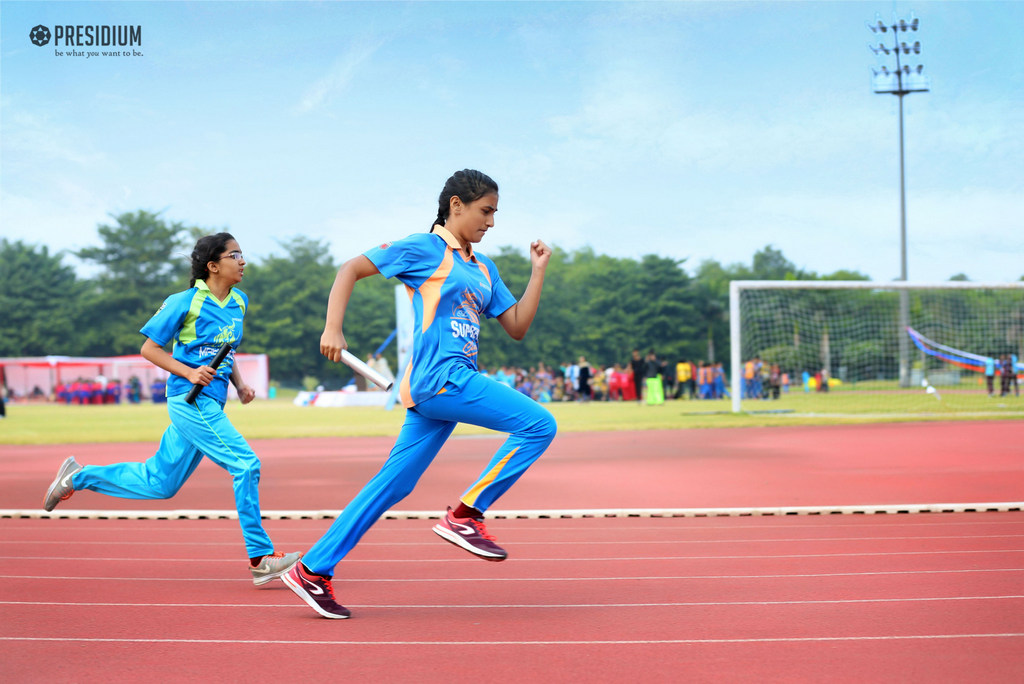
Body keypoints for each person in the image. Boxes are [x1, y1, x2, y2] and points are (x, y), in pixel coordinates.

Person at [281, 169, 557, 619]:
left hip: (445, 384)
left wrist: (538, 272)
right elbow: (350, 268)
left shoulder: (484, 267)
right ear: (456, 206)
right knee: (539, 425)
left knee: (394, 484)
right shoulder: (425, 248)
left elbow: (518, 327)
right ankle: (466, 516)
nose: (491, 222)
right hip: (440, 378)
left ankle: (311, 569)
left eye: (495, 213)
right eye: (485, 211)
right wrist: (333, 327)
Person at [41, 233, 301, 586]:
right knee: (246, 464)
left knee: (160, 483)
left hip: (213, 400)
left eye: (242, 254)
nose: (243, 261)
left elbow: (226, 349)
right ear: (213, 266)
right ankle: (260, 557)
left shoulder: (240, 301)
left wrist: (239, 384)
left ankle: (76, 477)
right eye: (235, 255)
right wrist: (190, 372)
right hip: (188, 400)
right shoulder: (184, 302)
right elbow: (150, 349)